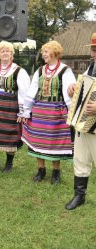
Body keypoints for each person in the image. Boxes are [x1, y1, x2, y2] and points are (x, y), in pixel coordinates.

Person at [21, 41, 76, 184]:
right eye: (43, 51)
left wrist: (71, 113)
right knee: (38, 140)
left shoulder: (65, 70)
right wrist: (26, 110)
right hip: (39, 111)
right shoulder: (40, 70)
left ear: (55, 53)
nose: (43, 54)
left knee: (54, 141)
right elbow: (32, 91)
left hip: (56, 112)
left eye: (46, 51)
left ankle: (56, 172)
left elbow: (70, 94)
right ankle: (41, 170)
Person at [0, 41, 30, 173]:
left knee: (9, 133)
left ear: (11, 54)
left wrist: (22, 110)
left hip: (10, 106)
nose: (5, 53)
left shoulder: (19, 71)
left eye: (7, 51)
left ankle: (9, 164)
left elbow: (24, 91)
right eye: (2, 51)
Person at [65, 33, 96, 210]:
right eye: (92, 49)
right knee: (81, 159)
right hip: (84, 122)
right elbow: (83, 87)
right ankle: (79, 196)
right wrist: (73, 89)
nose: (93, 54)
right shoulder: (91, 67)